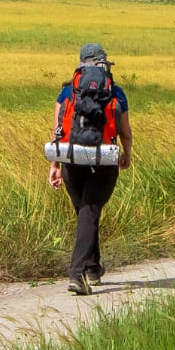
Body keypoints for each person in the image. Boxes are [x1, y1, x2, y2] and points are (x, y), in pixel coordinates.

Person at [47, 42, 133, 296]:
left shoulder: (67, 92)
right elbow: (125, 133)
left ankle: (93, 267)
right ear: (104, 63)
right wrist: (126, 154)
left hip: (71, 158)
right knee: (89, 211)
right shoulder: (116, 93)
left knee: (86, 212)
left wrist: (55, 164)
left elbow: (57, 131)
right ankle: (78, 274)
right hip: (104, 160)